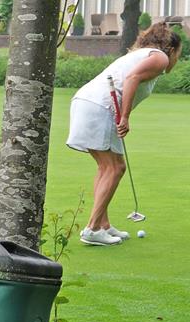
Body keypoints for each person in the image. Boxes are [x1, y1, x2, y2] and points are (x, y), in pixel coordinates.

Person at [67, 22, 181, 246]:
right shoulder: (160, 58)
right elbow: (131, 79)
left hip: (87, 102)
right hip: (101, 106)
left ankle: (103, 225)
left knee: (106, 167)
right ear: (171, 48)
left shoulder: (142, 54)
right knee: (115, 167)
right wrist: (125, 116)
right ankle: (92, 229)